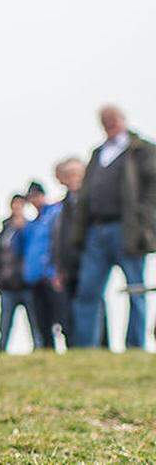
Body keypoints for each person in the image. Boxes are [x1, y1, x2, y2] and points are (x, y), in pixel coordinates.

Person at [68, 105, 156, 349]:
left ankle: (135, 345)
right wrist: (80, 232)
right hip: (96, 231)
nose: (109, 123)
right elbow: (85, 196)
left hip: (127, 229)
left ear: (123, 119)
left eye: (113, 119)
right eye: (104, 120)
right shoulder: (98, 154)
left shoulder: (141, 150)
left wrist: (143, 223)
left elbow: (152, 189)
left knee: (136, 288)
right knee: (88, 290)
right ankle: (85, 346)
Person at [50, 157, 106, 347]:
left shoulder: (93, 201)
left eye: (77, 174)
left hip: (90, 261)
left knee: (91, 303)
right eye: (68, 175)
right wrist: (58, 268)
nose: (73, 179)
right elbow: (58, 241)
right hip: (68, 266)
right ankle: (76, 346)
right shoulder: (62, 208)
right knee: (69, 309)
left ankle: (98, 345)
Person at [16, 182, 68, 349]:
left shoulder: (55, 213)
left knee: (62, 317)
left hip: (51, 276)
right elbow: (20, 249)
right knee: (42, 321)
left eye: (35, 196)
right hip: (34, 277)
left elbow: (58, 243)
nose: (33, 201)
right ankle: (47, 350)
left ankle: (72, 348)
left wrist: (56, 270)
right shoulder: (31, 224)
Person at [0, 195, 40, 352]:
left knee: (35, 323)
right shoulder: (2, 234)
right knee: (4, 325)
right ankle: (2, 352)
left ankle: (38, 350)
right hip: (8, 286)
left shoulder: (32, 229)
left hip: (27, 285)